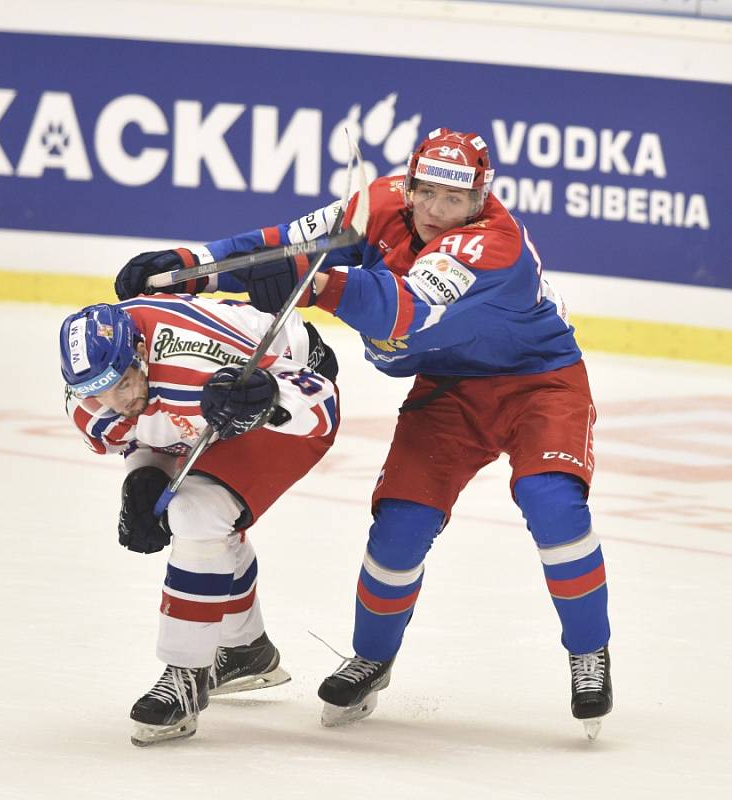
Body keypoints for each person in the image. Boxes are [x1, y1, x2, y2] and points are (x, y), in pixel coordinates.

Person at [114, 128, 613, 739]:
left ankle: (588, 653)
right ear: (407, 183)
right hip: (449, 386)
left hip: (540, 383)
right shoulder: (379, 202)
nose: (434, 210)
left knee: (552, 503)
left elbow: (399, 308)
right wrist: (193, 268)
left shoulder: (493, 245)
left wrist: (315, 286)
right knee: (400, 524)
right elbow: (286, 244)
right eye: (424, 192)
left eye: (452, 200)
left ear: (480, 199)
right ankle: (372, 658)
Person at [59, 290, 340, 745]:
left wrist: (266, 396)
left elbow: (322, 404)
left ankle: (186, 677)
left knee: (195, 512)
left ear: (143, 353)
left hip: (284, 392)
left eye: (125, 380)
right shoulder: (92, 408)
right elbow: (148, 430)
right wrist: (144, 474)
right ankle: (245, 649)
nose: (120, 399)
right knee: (202, 518)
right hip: (208, 404)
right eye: (103, 392)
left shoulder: (195, 362)